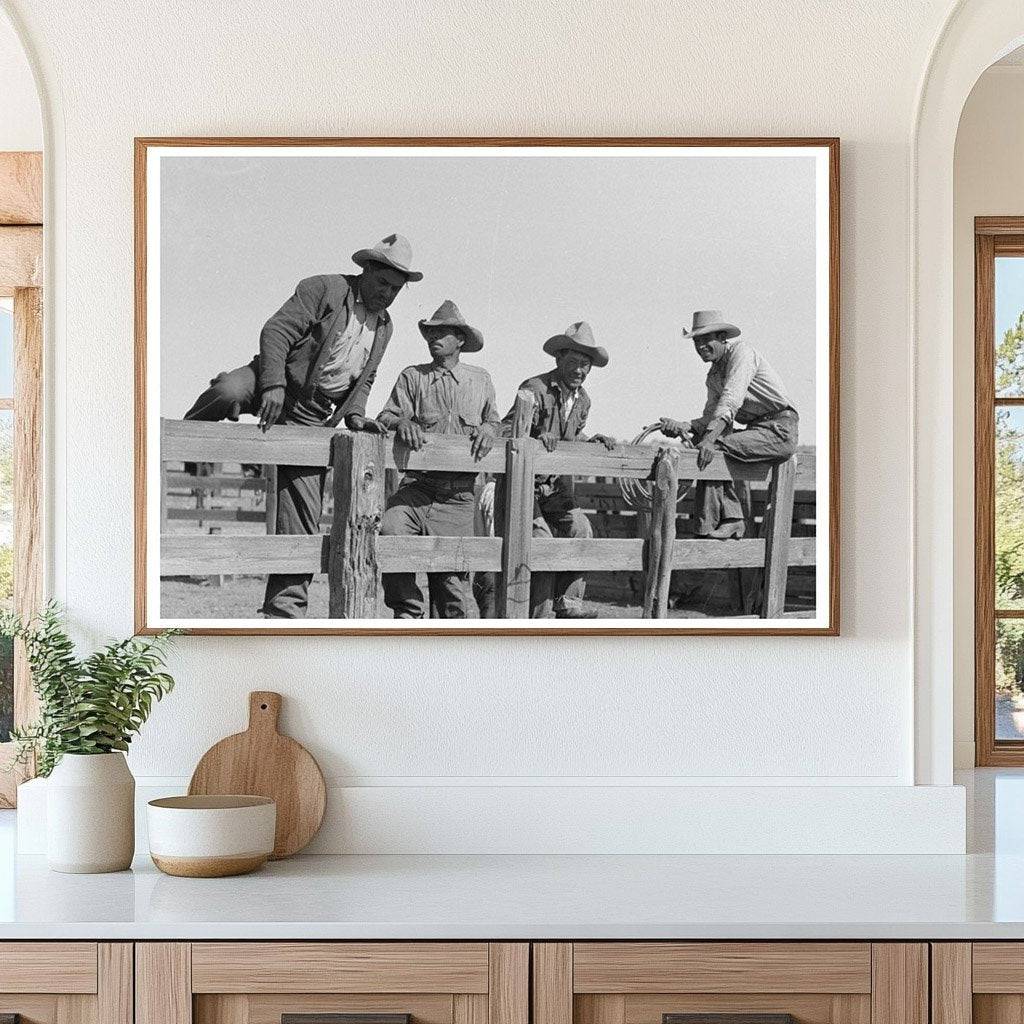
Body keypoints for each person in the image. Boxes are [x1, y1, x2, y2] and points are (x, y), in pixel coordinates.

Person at [181, 233, 422, 617]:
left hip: (313, 415)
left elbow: (365, 377)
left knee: (302, 519)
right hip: (271, 380)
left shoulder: (385, 326)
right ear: (366, 270)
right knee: (227, 391)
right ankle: (172, 448)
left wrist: (356, 413)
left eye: (396, 290)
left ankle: (283, 610)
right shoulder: (325, 288)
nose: (387, 295)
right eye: (382, 284)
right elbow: (276, 331)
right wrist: (273, 384)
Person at [374, 300, 500, 619]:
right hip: (418, 488)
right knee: (392, 529)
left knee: (452, 591)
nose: (434, 338)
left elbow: (497, 422)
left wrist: (488, 428)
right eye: (431, 332)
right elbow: (386, 414)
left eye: (443, 332)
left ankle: (447, 645)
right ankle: (408, 613)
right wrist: (402, 422)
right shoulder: (413, 377)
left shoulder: (480, 380)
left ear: (460, 340)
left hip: (459, 498)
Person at [503, 321, 616, 619]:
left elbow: (570, 438)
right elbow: (507, 430)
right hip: (525, 485)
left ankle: (569, 604)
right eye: (574, 362)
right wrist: (536, 437)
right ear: (558, 360)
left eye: (585, 365)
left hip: (555, 489)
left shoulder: (583, 400)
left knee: (582, 529)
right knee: (541, 543)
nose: (580, 370)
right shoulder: (534, 389)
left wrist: (591, 441)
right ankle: (537, 616)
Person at [659, 309, 798, 539]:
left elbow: (730, 401)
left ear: (723, 338)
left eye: (706, 339)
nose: (701, 346)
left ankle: (715, 525)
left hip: (780, 430)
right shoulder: (713, 376)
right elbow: (710, 417)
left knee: (712, 446)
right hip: (758, 430)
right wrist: (685, 426)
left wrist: (709, 439)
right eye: (697, 341)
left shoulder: (742, 354)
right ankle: (725, 521)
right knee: (704, 443)